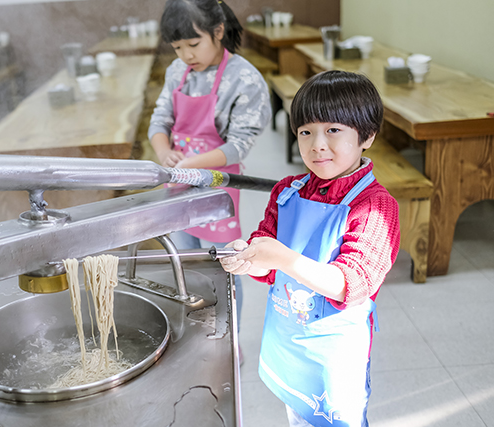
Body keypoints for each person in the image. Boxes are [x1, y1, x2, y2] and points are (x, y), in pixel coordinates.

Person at [220, 70, 400, 426]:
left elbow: (351, 284)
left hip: (332, 358)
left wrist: (280, 256)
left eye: (333, 130)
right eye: (305, 131)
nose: (317, 143)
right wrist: (247, 258)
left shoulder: (376, 206)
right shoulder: (288, 190)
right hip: (288, 343)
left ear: (367, 136)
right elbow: (267, 262)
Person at [148, 0, 272, 333]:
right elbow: (160, 119)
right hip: (177, 183)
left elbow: (237, 145)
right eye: (177, 47)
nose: (186, 55)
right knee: (184, 261)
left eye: (193, 43)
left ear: (218, 31)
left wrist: (191, 165)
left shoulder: (243, 78)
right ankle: (198, 334)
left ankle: (228, 340)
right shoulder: (177, 72)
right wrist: (164, 153)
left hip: (217, 183)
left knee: (222, 268)